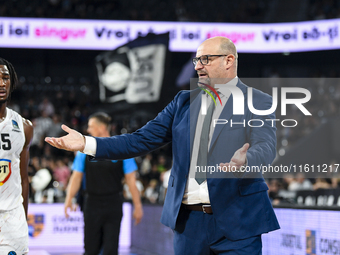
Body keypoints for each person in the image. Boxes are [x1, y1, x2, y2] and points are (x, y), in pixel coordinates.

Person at [46, 37, 280, 254]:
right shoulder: (183, 102)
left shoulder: (257, 101)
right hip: (189, 224)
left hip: (238, 220)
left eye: (205, 59)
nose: (198, 66)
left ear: (229, 60)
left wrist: (247, 160)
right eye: (196, 60)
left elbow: (266, 146)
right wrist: (87, 143)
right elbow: (139, 140)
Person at [64, 112, 143, 255]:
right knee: (90, 249)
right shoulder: (84, 149)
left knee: (111, 250)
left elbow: (131, 180)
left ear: (101, 128)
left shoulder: (121, 147)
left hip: (113, 203)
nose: (88, 130)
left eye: (90, 126)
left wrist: (137, 205)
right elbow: (76, 177)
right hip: (92, 204)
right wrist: (69, 199)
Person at [0, 58, 33, 254]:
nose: (1, 83)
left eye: (5, 78)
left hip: (13, 219)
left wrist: (24, 220)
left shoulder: (24, 126)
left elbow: (24, 180)